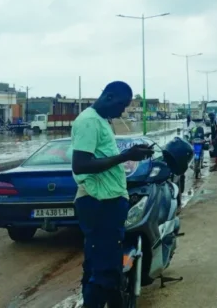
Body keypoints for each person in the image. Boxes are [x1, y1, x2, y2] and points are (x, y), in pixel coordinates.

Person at [71, 81, 154, 307]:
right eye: (122, 105)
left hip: (108, 202)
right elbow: (81, 164)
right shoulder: (89, 122)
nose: (122, 111)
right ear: (108, 97)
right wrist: (125, 156)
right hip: (99, 204)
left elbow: (102, 157)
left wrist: (133, 155)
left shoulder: (101, 121)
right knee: (105, 272)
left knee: (102, 268)